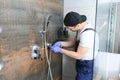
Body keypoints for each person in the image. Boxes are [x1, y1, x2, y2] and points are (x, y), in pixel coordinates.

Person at [50, 11, 99, 80]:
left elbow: (79, 55)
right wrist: (61, 43)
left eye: (71, 29)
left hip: (86, 65)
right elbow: (73, 43)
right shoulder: (81, 28)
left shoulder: (87, 35)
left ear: (77, 25)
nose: (70, 30)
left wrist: (60, 50)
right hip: (82, 63)